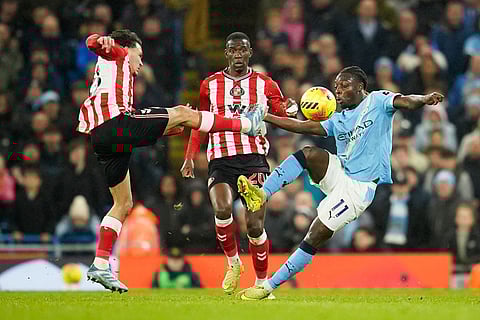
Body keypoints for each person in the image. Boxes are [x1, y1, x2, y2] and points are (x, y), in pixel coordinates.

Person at [81, 29, 268, 293]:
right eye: (140, 55)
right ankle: (246, 123)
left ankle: (100, 264)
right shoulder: (118, 53)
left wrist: (178, 124)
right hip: (116, 123)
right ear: (128, 48)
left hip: (103, 136)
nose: (141, 63)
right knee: (183, 112)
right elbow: (94, 43)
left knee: (123, 203)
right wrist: (101, 40)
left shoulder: (113, 68)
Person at [236, 66, 443, 300]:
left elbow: (406, 101)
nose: (338, 91)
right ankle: (261, 194)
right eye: (336, 87)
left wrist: (424, 99)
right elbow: (302, 126)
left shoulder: (378, 101)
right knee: (309, 153)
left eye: (344, 85)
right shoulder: (339, 119)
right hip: (340, 172)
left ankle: (267, 287)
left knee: (315, 235)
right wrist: (266, 117)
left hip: (358, 189)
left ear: (360, 87)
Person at [180, 32, 297, 296]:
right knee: (221, 209)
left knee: (255, 226)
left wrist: (289, 108)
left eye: (242, 50)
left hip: (254, 160)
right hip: (220, 159)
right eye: (232, 50)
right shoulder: (209, 84)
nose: (237, 55)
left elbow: (279, 110)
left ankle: (262, 284)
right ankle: (233, 264)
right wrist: (189, 155)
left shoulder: (265, 84)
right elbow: (200, 122)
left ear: (250, 53)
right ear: (226, 53)